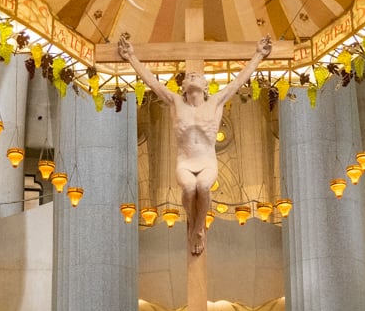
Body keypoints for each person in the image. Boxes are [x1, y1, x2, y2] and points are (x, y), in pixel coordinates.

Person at [117, 34, 272, 256]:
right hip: (185, 161)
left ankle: (198, 229)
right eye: (189, 75)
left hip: (207, 161)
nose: (192, 74)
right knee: (190, 187)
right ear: (184, 87)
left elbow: (239, 81)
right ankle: (193, 223)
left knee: (203, 187)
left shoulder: (216, 101)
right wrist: (131, 56)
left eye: (197, 76)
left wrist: (258, 54)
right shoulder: (175, 102)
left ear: (205, 87)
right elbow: (151, 82)